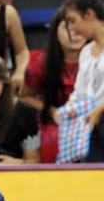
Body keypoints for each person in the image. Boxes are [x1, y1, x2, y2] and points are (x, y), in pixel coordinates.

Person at [21, 9, 80, 161]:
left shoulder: (96, 59)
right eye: (66, 28)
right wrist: (51, 111)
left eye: (78, 27)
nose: (73, 33)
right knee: (52, 141)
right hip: (55, 121)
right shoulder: (43, 62)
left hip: (89, 119)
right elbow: (25, 95)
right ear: (55, 32)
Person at [61, 0, 104, 160]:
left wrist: (100, 110)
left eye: (73, 21)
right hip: (90, 130)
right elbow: (79, 91)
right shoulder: (86, 51)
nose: (71, 28)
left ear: (89, 14)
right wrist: (71, 106)